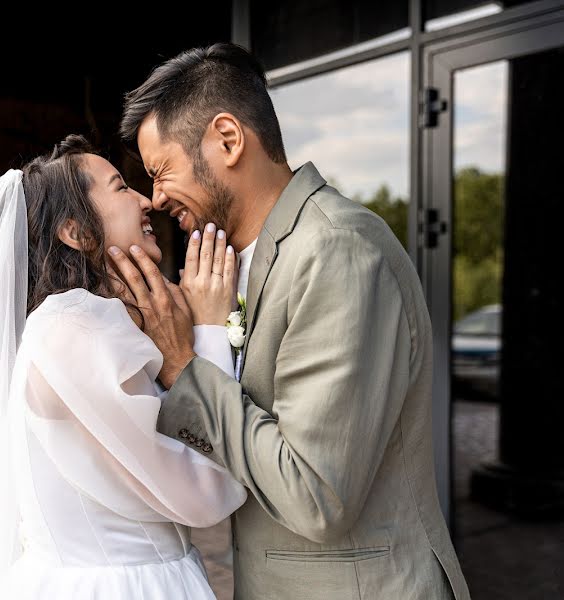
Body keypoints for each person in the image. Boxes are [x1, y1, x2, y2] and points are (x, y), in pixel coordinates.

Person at [109, 42, 471, 599]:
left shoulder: (337, 250)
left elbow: (315, 494)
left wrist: (187, 368)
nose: (155, 199)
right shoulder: (240, 264)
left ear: (228, 140)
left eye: (161, 171)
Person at [0, 135, 247, 599]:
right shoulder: (73, 332)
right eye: (120, 187)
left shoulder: (92, 325)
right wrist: (210, 332)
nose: (146, 199)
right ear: (78, 232)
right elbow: (209, 491)